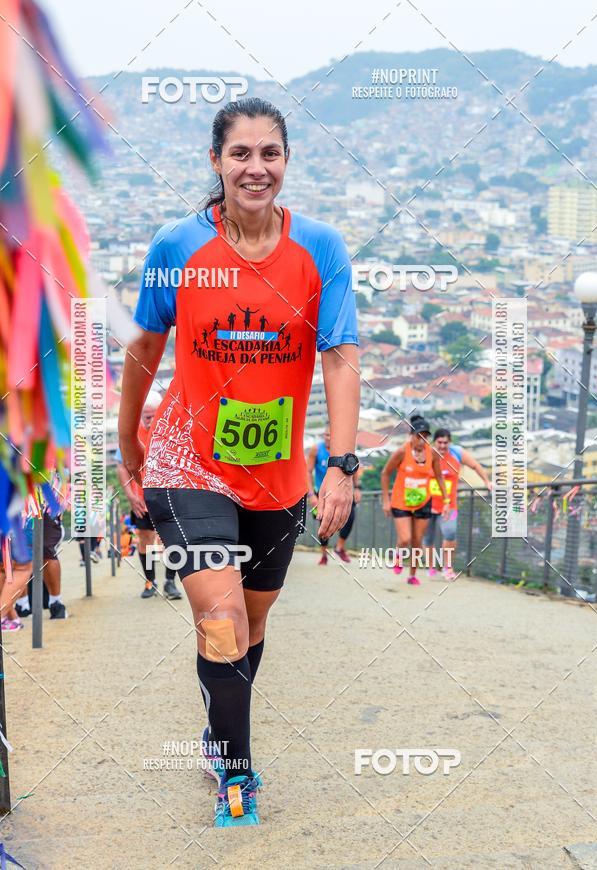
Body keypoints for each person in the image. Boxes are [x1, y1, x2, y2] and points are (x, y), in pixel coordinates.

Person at [118, 98, 360, 827]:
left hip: (278, 474)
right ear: (216, 162)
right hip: (187, 458)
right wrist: (129, 440)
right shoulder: (177, 246)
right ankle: (237, 773)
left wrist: (341, 465)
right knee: (219, 618)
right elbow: (143, 350)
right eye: (241, 154)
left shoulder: (320, 249)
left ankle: (218, 730)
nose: (256, 167)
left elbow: (341, 360)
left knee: (250, 631)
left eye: (270, 154)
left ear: (286, 161)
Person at [116, 392, 182, 600]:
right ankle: (149, 581)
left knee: (171, 540)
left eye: (155, 416)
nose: (152, 421)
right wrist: (130, 495)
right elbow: (121, 465)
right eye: (147, 417)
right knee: (145, 539)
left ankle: (170, 582)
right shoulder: (131, 433)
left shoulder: (169, 430)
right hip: (142, 497)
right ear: (140, 416)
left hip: (167, 496)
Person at [381, 415, 449, 585]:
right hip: (401, 501)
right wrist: (386, 501)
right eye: (419, 436)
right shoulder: (402, 452)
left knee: (417, 541)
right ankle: (398, 555)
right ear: (411, 435)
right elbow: (385, 473)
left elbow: (439, 477)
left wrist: (446, 500)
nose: (422, 440)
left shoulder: (432, 453)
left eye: (426, 437)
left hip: (423, 501)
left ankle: (412, 575)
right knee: (405, 539)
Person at [424, 428, 492, 581]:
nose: (442, 446)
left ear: (450, 442)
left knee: (450, 533)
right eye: (439, 442)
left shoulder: (457, 453)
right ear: (434, 442)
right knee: (428, 538)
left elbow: (475, 465)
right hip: (427, 504)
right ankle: (430, 567)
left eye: (445, 443)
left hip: (449, 505)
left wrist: (486, 481)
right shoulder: (427, 453)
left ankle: (447, 567)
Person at [306, 425, 361, 563]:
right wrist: (311, 494)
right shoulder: (316, 449)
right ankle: (324, 554)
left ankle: (339, 547)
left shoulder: (344, 450)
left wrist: (357, 488)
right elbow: (307, 472)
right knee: (324, 522)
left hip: (342, 489)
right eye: (326, 435)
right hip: (323, 492)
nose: (328, 438)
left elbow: (352, 469)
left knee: (350, 516)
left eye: (331, 435)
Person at [16, 510, 68, 619]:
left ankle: (56, 603)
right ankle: (22, 605)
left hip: (45, 505)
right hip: (17, 501)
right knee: (16, 550)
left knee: (46, 548)